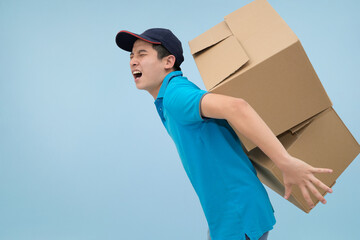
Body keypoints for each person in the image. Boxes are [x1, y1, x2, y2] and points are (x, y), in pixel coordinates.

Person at [115, 28, 333, 240]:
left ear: (168, 62)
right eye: (132, 55)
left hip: (236, 216)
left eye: (142, 54)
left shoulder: (175, 94)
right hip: (226, 217)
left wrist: (285, 162)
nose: (133, 61)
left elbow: (237, 107)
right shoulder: (167, 98)